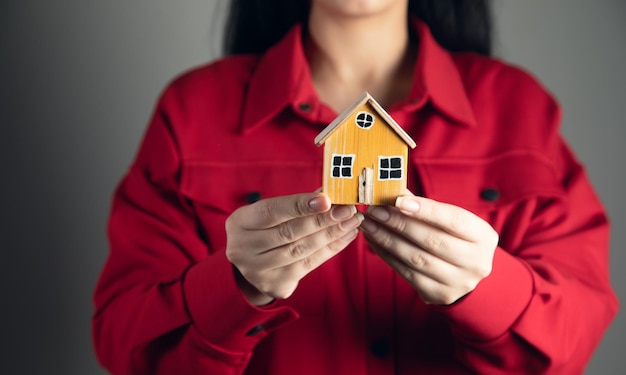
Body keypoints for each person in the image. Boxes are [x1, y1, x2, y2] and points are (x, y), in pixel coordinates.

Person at [92, 0, 618, 373]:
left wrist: (489, 292)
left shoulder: (518, 107)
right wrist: (235, 289)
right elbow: (127, 341)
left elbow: (576, 327)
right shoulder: (192, 111)